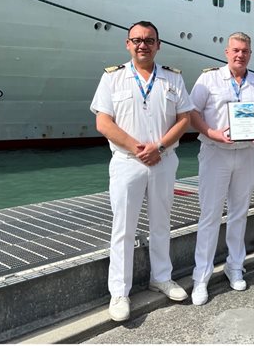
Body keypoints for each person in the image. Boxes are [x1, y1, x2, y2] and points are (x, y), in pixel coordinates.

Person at [90, 21, 192, 322]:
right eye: (136, 40)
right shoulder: (113, 78)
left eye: (149, 40)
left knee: (162, 222)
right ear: (127, 44)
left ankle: (161, 277)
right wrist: (139, 148)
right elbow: (103, 123)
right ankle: (119, 292)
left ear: (158, 45)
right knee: (123, 228)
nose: (142, 45)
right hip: (127, 162)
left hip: (162, 160)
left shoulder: (173, 79)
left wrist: (158, 147)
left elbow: (184, 118)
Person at [188, 32, 254, 305]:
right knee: (210, 215)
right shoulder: (208, 79)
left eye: (245, 51)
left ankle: (234, 266)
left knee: (240, 213)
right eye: (235, 50)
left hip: (247, 154)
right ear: (226, 52)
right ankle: (201, 277)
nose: (240, 55)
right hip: (216, 153)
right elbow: (192, 113)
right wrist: (212, 133)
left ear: (250, 54)